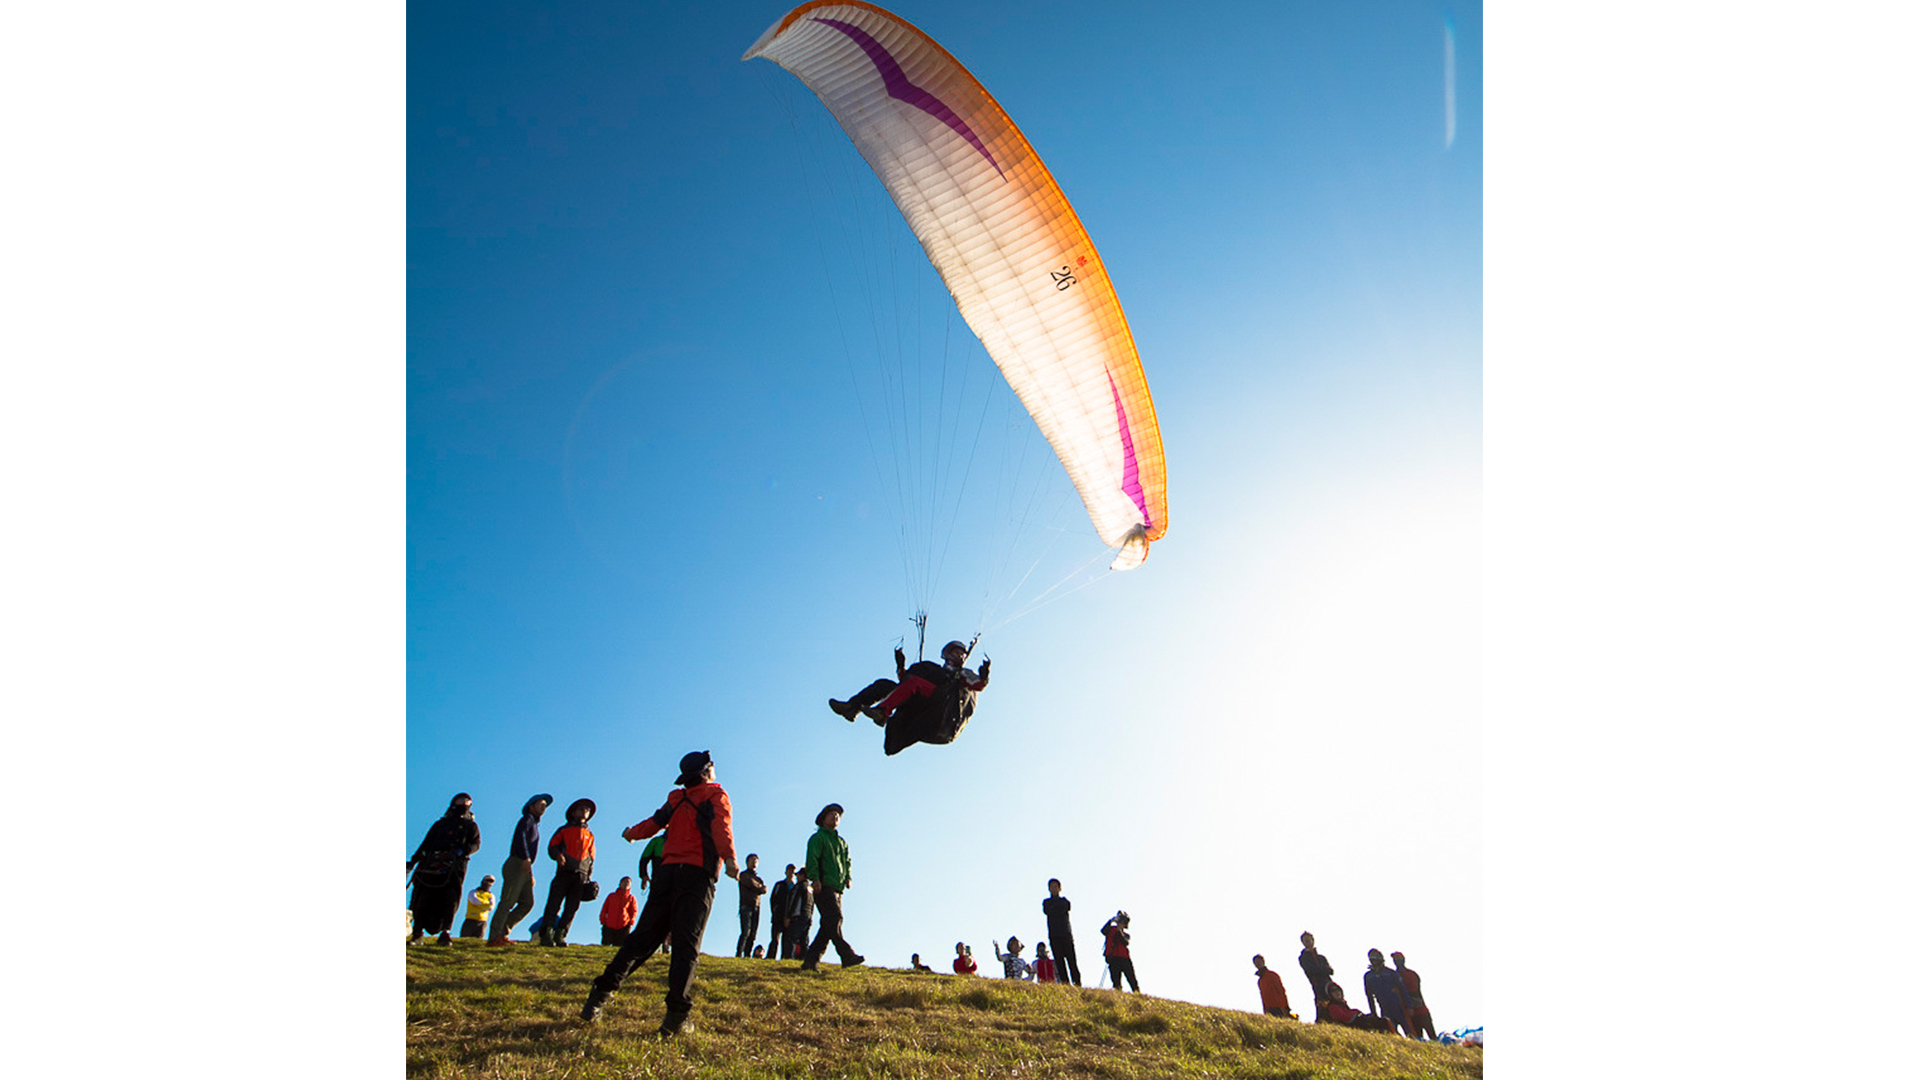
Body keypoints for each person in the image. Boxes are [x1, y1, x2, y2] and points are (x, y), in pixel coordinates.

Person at [580, 750, 741, 1038]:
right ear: (706, 771)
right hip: (697, 876)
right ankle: (676, 1018)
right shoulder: (716, 795)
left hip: (666, 875)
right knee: (686, 945)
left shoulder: (676, 798)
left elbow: (654, 823)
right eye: (712, 765)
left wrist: (632, 832)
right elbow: (721, 826)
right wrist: (730, 859)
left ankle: (599, 996)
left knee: (642, 939)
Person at [828, 640, 991, 755]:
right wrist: (901, 665)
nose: (960, 656)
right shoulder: (930, 669)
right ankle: (852, 708)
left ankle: (882, 713)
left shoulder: (963, 674)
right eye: (956, 652)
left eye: (962, 653)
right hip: (924, 704)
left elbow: (977, 685)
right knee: (884, 685)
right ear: (947, 654)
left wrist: (984, 676)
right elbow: (904, 683)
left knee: (915, 683)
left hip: (943, 708)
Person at [407, 793, 482, 945]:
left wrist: (462, 851)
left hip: (454, 868)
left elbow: (476, 844)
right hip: (430, 866)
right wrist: (413, 861)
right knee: (423, 899)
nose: (464, 803)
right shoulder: (440, 824)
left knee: (450, 899)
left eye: (467, 802)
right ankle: (417, 933)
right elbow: (426, 843)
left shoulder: (471, 826)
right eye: (461, 800)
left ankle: (445, 933)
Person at [800, 803, 865, 971]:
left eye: (838, 816)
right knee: (835, 919)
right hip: (823, 885)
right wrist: (815, 879)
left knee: (828, 925)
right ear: (823, 818)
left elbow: (847, 861)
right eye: (832, 815)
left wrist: (848, 877)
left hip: (837, 887)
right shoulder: (818, 838)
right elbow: (812, 859)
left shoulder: (841, 842)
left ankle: (810, 961)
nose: (836, 818)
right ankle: (846, 954)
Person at [487, 793, 552, 946]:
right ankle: (494, 936)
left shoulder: (535, 825)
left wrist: (530, 872)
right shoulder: (526, 820)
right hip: (517, 862)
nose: (543, 807)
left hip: (526, 867)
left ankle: (503, 931)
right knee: (508, 901)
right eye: (540, 804)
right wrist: (525, 858)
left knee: (527, 902)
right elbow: (520, 838)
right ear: (531, 806)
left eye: (545, 805)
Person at [538, 798, 597, 946]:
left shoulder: (590, 835)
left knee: (572, 908)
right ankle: (547, 935)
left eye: (588, 810)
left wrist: (588, 876)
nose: (585, 811)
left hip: (581, 875)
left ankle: (561, 935)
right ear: (573, 812)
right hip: (564, 871)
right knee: (554, 904)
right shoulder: (563, 830)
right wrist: (558, 855)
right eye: (582, 808)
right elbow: (552, 846)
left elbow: (592, 857)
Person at [1042, 878, 1082, 987]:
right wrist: (1057, 909)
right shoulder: (1046, 902)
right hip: (1054, 936)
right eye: (1051, 887)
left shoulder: (1064, 901)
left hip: (1066, 935)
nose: (1054, 889)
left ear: (1059, 888)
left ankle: (1077, 983)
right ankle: (1065, 984)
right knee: (1060, 963)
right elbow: (1048, 910)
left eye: (1055, 887)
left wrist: (1055, 909)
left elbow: (1066, 907)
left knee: (1072, 961)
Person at [1362, 949, 1410, 1036]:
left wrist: (1409, 1005)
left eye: (1376, 956)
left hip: (1398, 1006)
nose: (1374, 959)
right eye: (1372, 957)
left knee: (1409, 1031)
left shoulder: (1390, 973)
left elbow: (1403, 989)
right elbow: (1369, 996)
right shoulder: (1368, 976)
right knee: (1391, 1032)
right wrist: (1373, 1012)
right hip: (1384, 1008)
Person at [1391, 951, 1438, 1040]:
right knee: (1418, 1038)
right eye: (1395, 959)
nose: (1397, 961)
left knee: (1432, 1036)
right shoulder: (1394, 975)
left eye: (1398, 959)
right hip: (1409, 1012)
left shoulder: (1411, 974)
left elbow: (1415, 990)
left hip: (1421, 1010)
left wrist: (1401, 992)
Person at [1325, 980, 1395, 1032]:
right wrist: (1355, 1013)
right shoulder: (1333, 1007)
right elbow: (1343, 1018)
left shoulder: (1342, 1004)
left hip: (1358, 1023)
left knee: (1381, 1020)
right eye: (1333, 991)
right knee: (1380, 1022)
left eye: (1338, 990)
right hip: (1355, 1026)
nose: (1337, 992)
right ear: (1330, 995)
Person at [735, 853, 767, 958]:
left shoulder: (758, 878)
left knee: (753, 933)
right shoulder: (744, 875)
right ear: (747, 862)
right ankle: (739, 953)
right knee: (745, 931)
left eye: (756, 861)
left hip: (756, 906)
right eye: (752, 860)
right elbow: (753, 885)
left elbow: (764, 888)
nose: (754, 862)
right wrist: (759, 888)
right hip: (746, 905)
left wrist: (759, 887)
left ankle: (747, 954)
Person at [1297, 931, 1334, 1022]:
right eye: (1305, 940)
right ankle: (1322, 1021)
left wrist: (1321, 970)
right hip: (1317, 983)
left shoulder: (1321, 957)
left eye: (1309, 940)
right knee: (1321, 1003)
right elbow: (1310, 970)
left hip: (1328, 982)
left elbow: (1330, 970)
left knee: (1333, 1000)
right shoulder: (1303, 957)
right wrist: (1323, 970)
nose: (1308, 942)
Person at [1100, 911, 1139, 992]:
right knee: (1116, 981)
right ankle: (1118, 993)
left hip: (1124, 959)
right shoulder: (1110, 930)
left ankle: (1136, 993)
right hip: (1113, 958)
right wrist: (1110, 921)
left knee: (1132, 979)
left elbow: (1125, 942)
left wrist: (1119, 931)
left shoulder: (1126, 935)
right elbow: (1103, 931)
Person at [766, 863, 797, 960]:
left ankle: (785, 958)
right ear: (786, 872)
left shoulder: (796, 887)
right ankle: (771, 957)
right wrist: (775, 911)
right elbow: (773, 899)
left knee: (787, 940)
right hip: (778, 916)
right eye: (789, 870)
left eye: (793, 871)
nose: (791, 872)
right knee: (775, 939)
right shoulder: (779, 885)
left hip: (790, 917)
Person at [783, 867, 814, 959]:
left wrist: (788, 916)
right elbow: (812, 904)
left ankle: (790, 958)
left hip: (798, 915)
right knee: (804, 940)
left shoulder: (799, 886)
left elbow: (794, 901)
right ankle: (805, 959)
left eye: (799, 875)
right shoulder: (810, 888)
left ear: (803, 876)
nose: (797, 877)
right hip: (807, 916)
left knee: (791, 938)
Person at [599, 876, 638, 946]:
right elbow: (604, 909)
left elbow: (633, 911)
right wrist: (603, 920)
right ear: (620, 884)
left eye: (628, 883)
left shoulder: (631, 898)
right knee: (605, 945)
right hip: (609, 925)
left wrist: (631, 922)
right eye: (625, 882)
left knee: (619, 947)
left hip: (623, 926)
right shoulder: (611, 896)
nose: (626, 884)